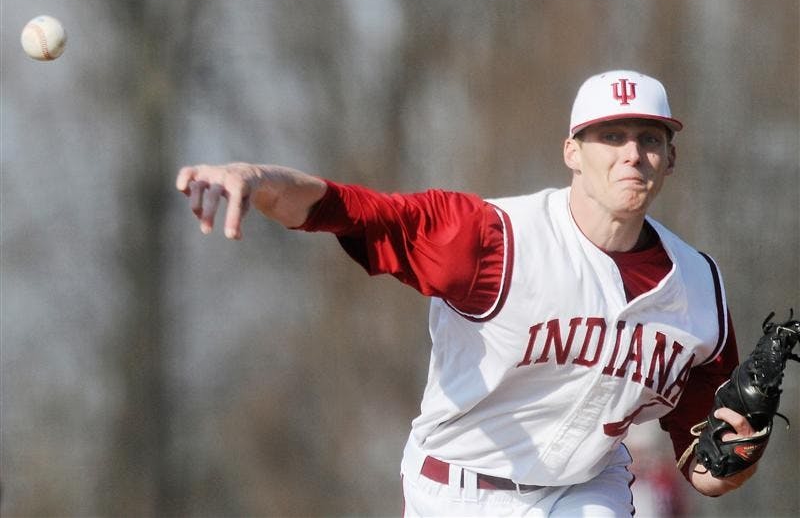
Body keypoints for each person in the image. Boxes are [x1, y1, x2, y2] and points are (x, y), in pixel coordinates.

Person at [176, 70, 760, 516]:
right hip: (458, 488)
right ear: (573, 153)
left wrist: (737, 454)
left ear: (670, 157)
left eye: (649, 137)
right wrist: (256, 178)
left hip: (585, 492)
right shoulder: (493, 239)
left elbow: (703, 464)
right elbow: (348, 209)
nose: (632, 153)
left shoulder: (698, 288)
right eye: (611, 136)